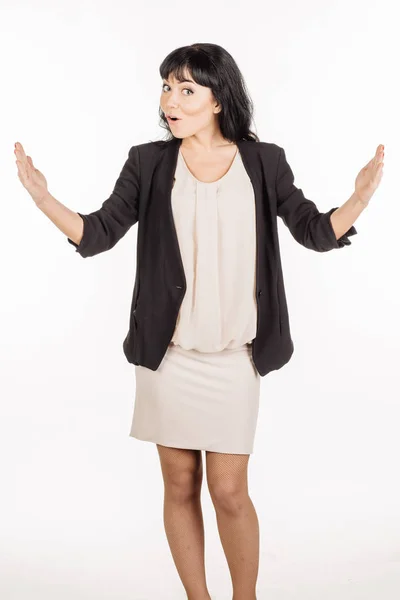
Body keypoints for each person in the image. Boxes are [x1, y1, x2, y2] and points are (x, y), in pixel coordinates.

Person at [15, 42, 384, 600]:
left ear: (219, 99)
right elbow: (97, 233)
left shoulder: (264, 160)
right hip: (168, 358)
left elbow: (313, 230)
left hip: (236, 356)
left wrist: (357, 199)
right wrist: (44, 199)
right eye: (167, 86)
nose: (172, 100)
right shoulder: (148, 161)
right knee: (179, 483)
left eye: (187, 89)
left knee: (229, 489)